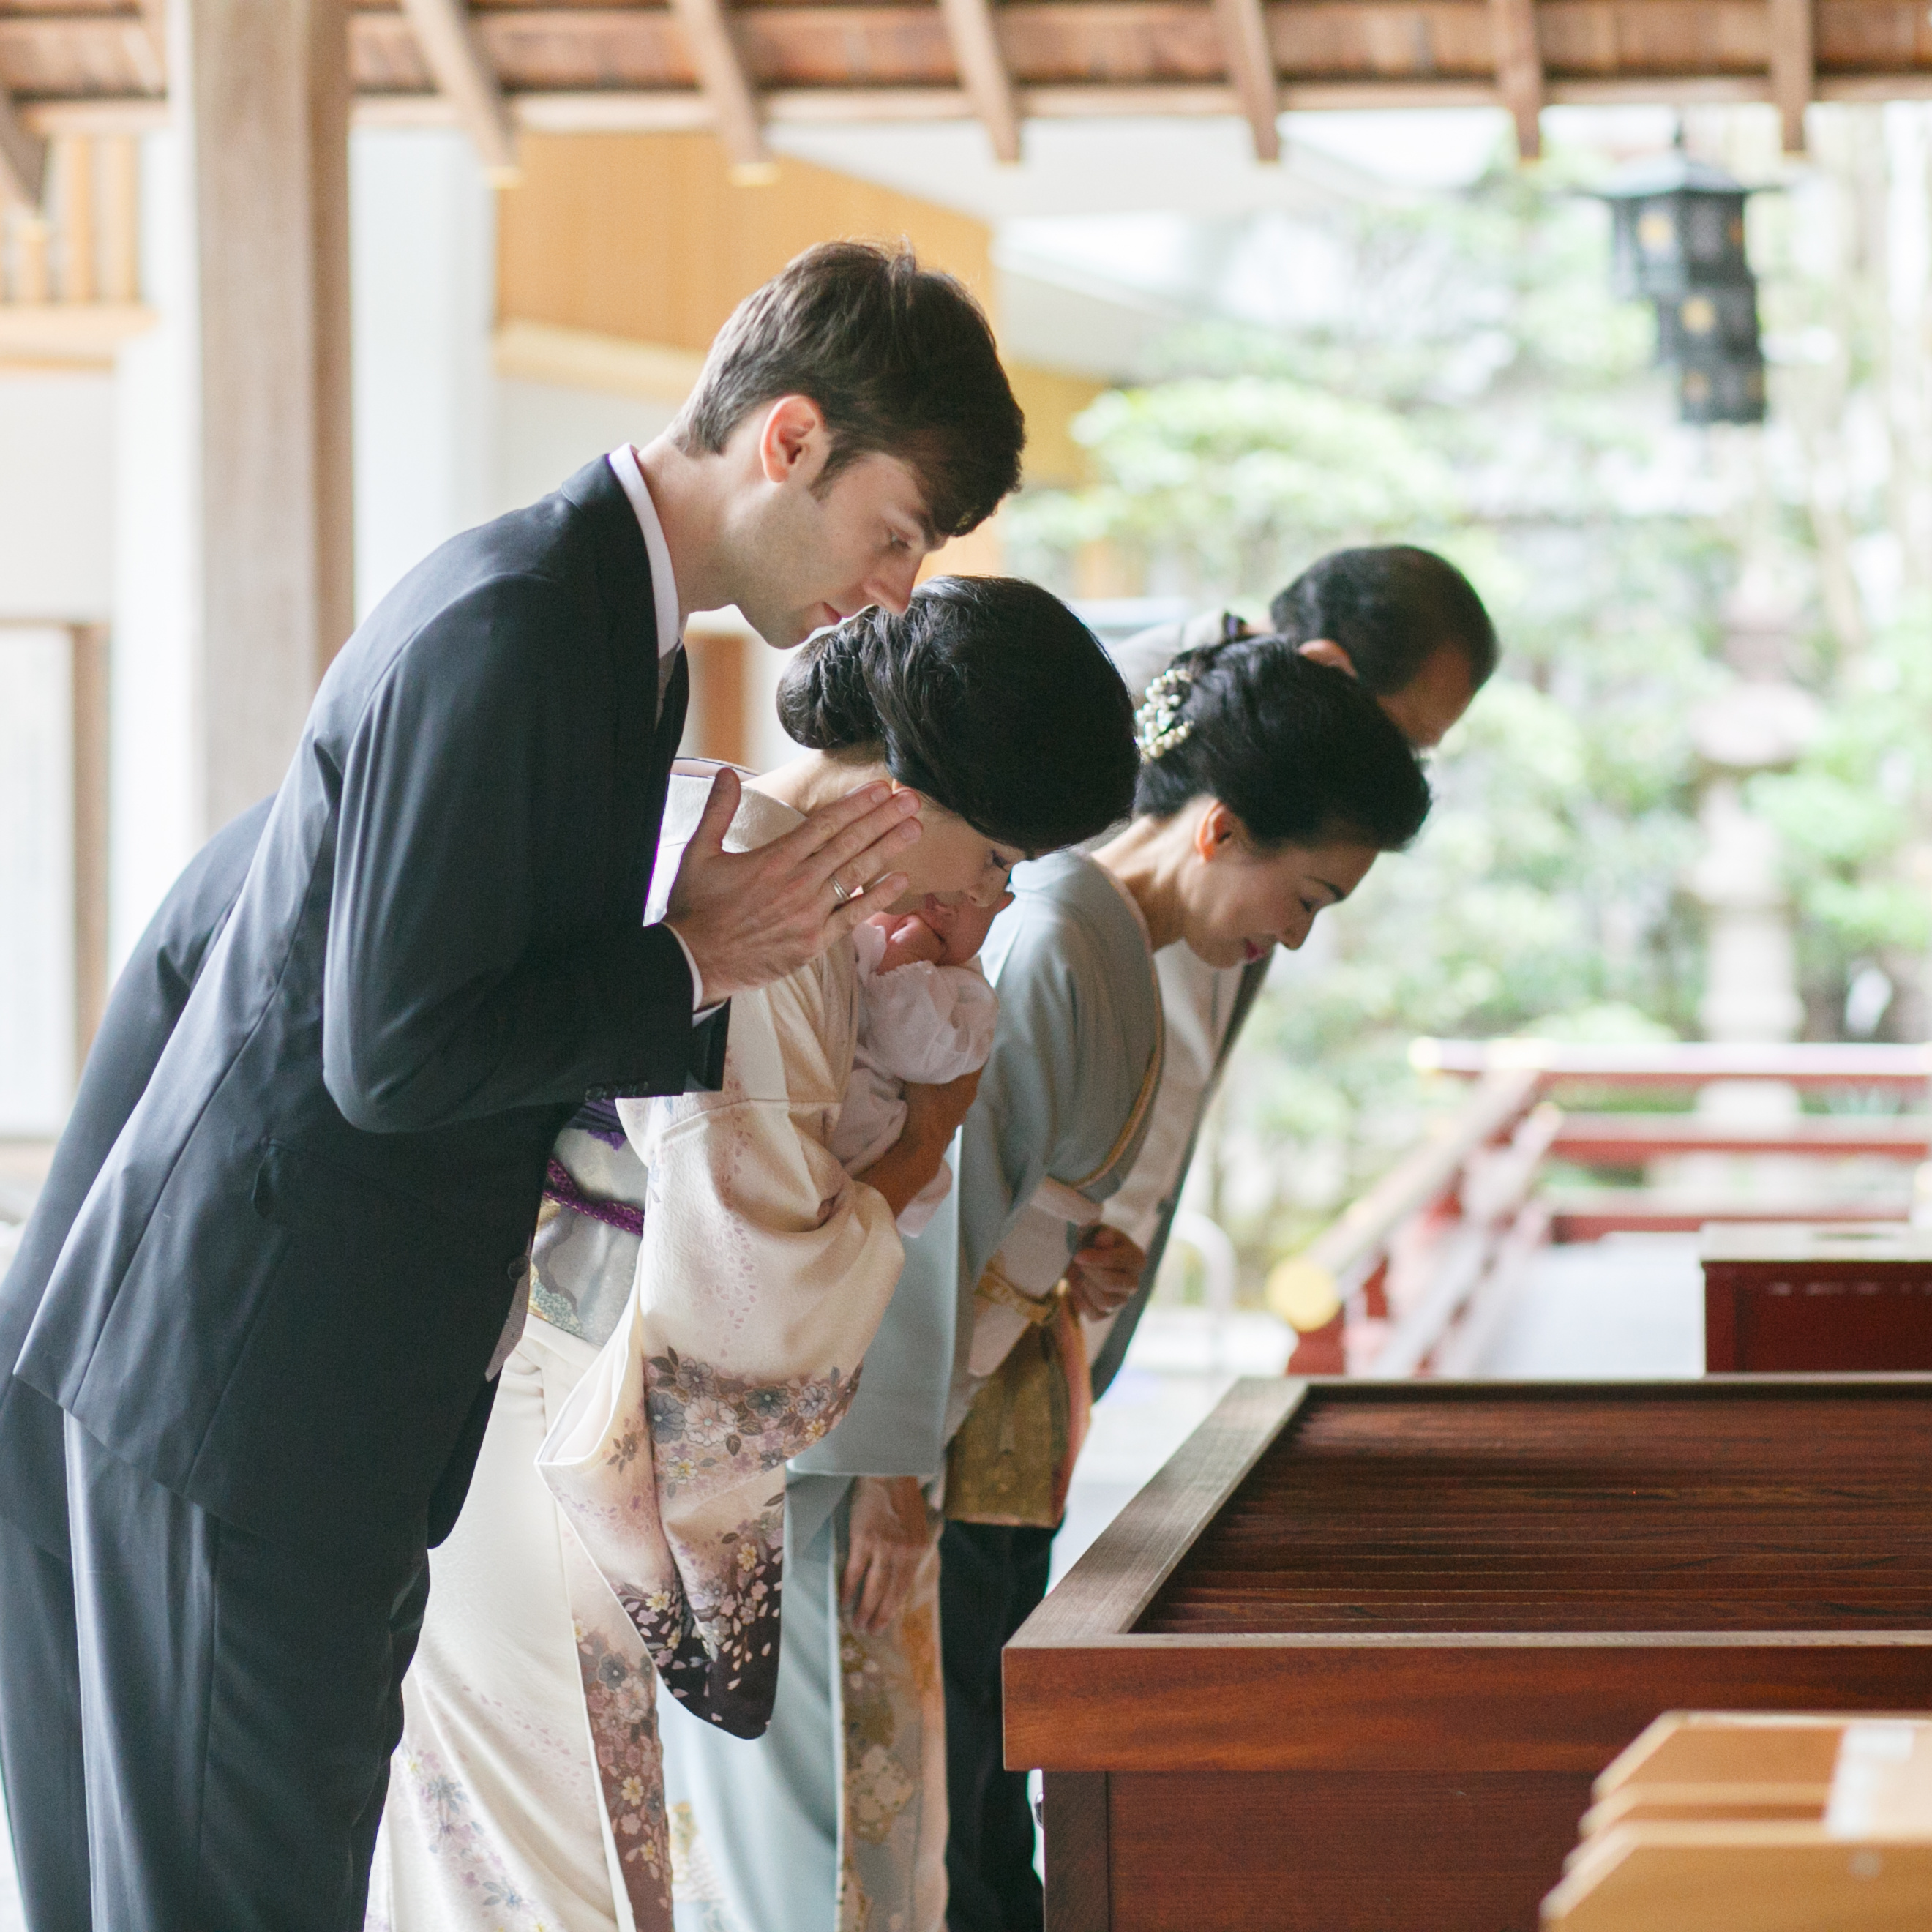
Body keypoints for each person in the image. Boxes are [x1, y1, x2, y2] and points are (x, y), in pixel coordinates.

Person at [7, 240, 1026, 1932]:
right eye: (896, 534)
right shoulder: (513, 623)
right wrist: (700, 960)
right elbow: (393, 1050)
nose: (893, 588)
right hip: (248, 1395)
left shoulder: (603, 633)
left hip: (318, 1403)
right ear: (789, 441)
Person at [367, 577, 1139, 1932]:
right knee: (572, 1872)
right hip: (579, 1395)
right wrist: (918, 1155)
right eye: (999, 857)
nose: (996, 899)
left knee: (538, 1857)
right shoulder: (778, 915)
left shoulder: (719, 820)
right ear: (914, 795)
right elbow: (747, 1295)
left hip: (528, 1364)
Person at [940, 634, 1442, 1932]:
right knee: (940, 1788)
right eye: (1309, 899)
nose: (1296, 938)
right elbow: (939, 1225)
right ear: (1219, 829)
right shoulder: (1053, 932)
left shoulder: (1105, 934)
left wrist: (1070, 1250)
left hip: (1000, 1403)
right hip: (934, 1434)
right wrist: (893, 1478)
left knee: (980, 1764)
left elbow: (1018, 1204)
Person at [0, 799, 268, 1932]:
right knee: (95, 1859)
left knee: (105, 1860)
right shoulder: (297, 867)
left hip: (87, 1377)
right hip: (72, 1390)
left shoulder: (284, 838)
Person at [831, 893, 1006, 1237]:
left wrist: (905, 960)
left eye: (972, 896)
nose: (942, 904)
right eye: (927, 881)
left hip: (872, 1147)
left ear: (1000, 907)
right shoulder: (851, 930)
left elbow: (912, 1053)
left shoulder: (968, 994)